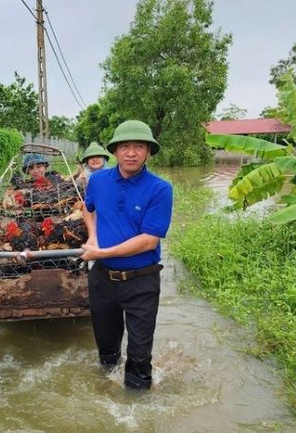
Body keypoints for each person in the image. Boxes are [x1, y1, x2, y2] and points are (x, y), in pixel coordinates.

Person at [79, 120, 173, 390]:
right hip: (102, 279)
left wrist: (101, 251)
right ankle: (105, 398)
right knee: (106, 352)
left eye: (138, 146)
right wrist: (92, 237)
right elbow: (89, 209)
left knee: (140, 358)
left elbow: (148, 240)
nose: (131, 152)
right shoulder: (97, 180)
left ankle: (138, 412)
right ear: (115, 151)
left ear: (148, 153)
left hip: (141, 282)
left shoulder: (160, 189)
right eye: (124, 147)